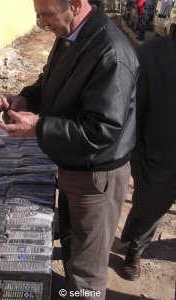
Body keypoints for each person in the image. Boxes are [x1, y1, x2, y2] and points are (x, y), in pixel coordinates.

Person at [0, 0, 139, 298]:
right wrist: (27, 99)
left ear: (75, 5)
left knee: (87, 273)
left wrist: (38, 127)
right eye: (38, 15)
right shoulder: (70, 37)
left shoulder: (110, 52)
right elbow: (51, 82)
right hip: (73, 165)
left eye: (46, 15)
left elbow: (102, 131)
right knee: (75, 249)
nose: (42, 23)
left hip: (95, 177)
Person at [120, 29, 176, 281]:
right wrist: (137, 159)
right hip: (158, 158)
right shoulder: (149, 54)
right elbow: (133, 112)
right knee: (148, 210)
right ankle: (135, 249)